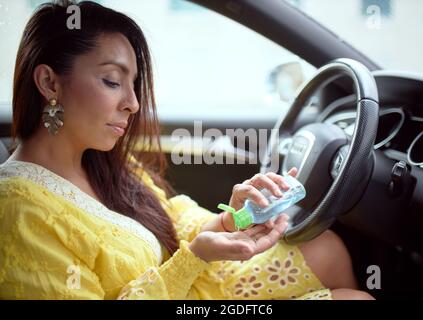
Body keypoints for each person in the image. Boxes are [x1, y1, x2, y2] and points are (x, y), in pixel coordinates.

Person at [0, 1, 373, 300]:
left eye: (134, 85)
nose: (132, 103)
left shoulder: (102, 160)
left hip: (193, 282)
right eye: (112, 81)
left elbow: (173, 218)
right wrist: (194, 258)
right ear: (49, 82)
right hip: (181, 283)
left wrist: (235, 220)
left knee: (327, 248)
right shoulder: (19, 213)